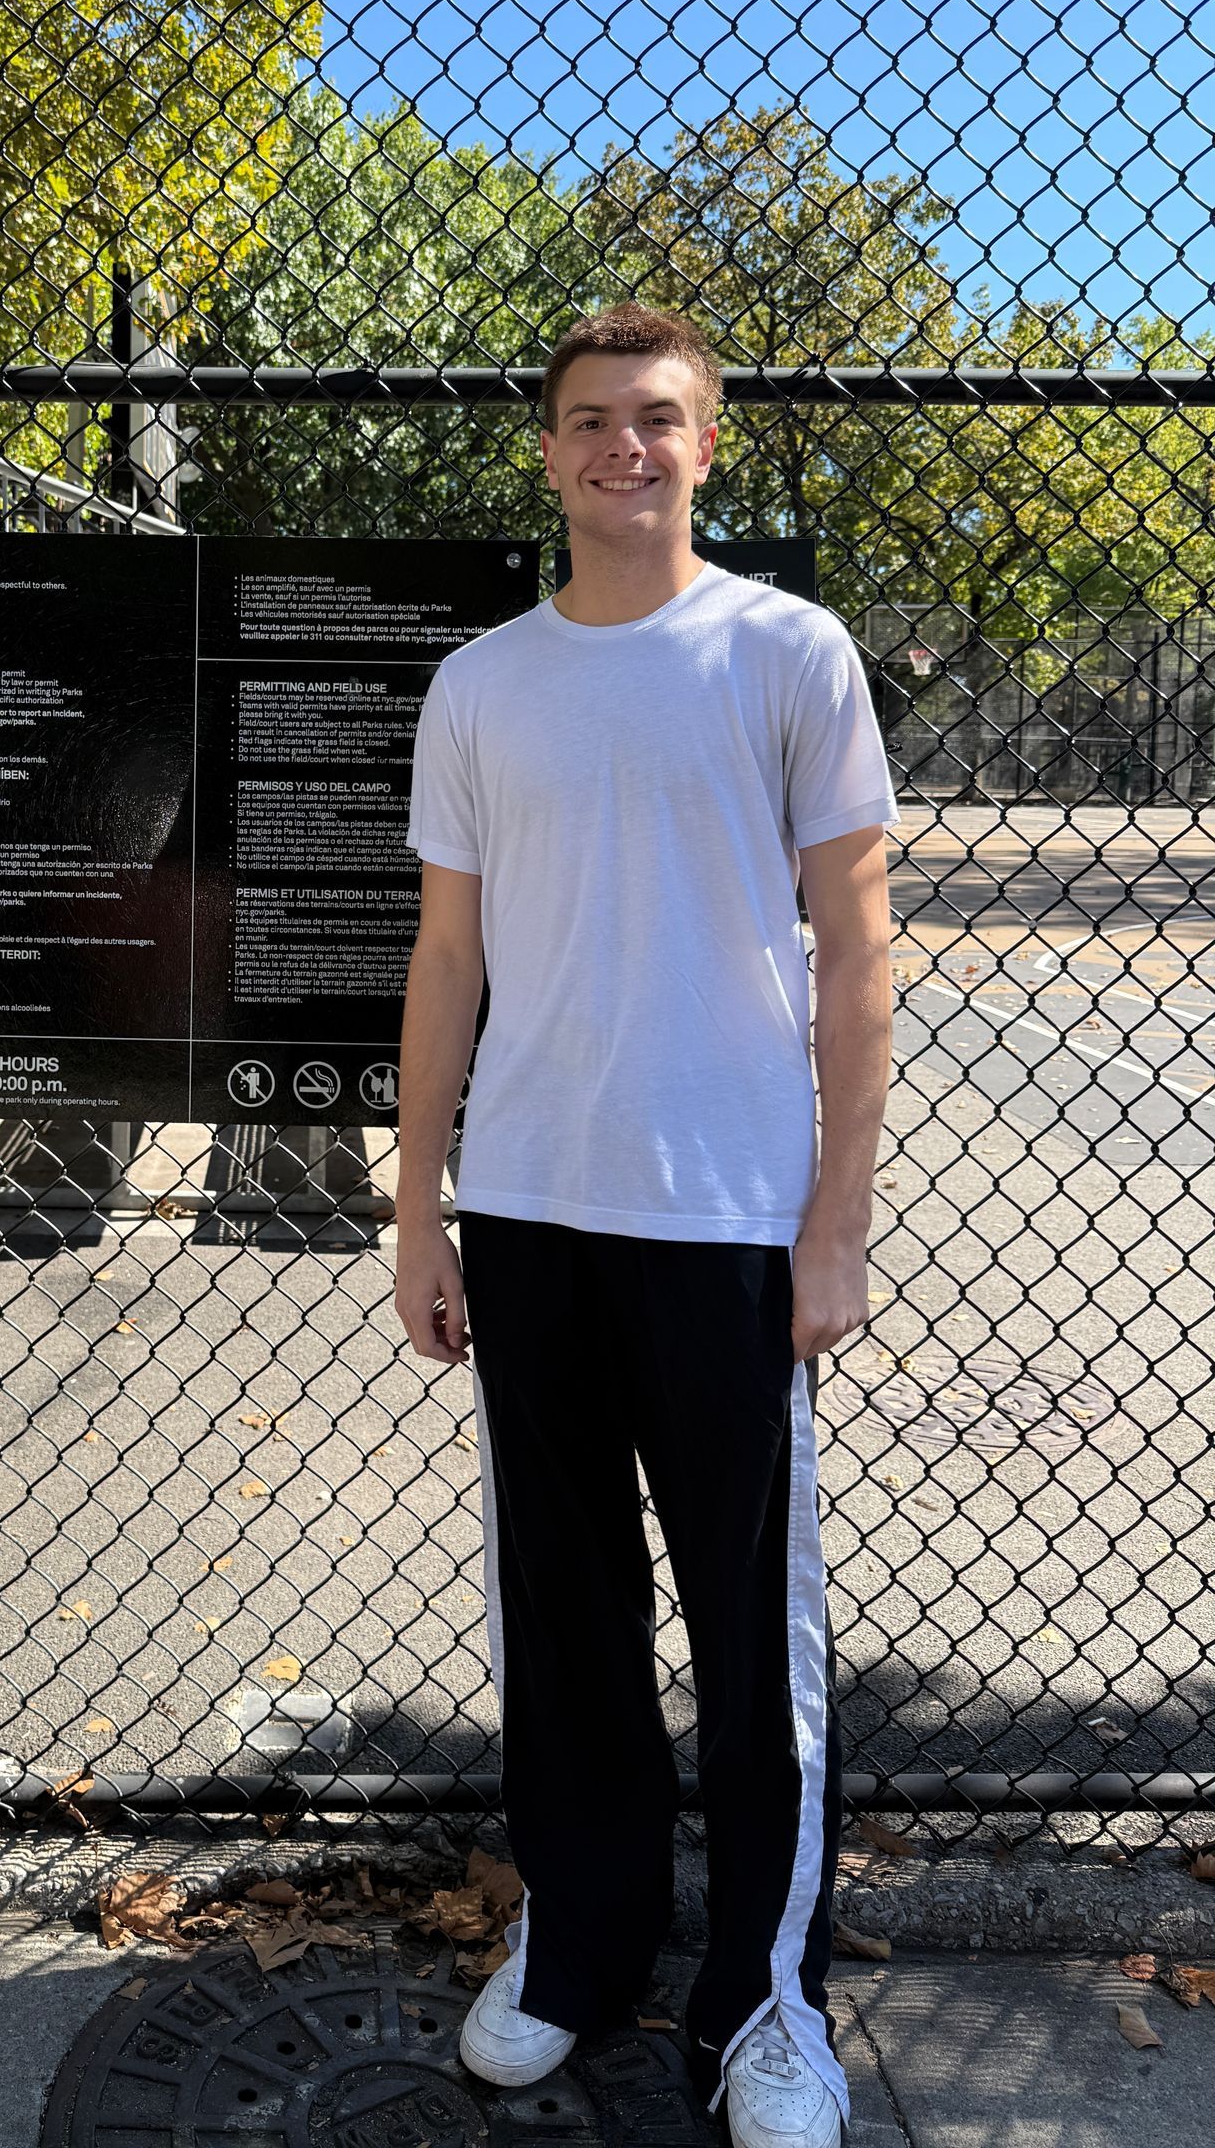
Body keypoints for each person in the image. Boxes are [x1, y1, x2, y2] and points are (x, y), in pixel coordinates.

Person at [394, 303, 897, 2148]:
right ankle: (582, 1945)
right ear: (546, 450)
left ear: (708, 447)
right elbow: (448, 956)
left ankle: (768, 2001)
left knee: (753, 1636)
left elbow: (859, 950)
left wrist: (833, 1222)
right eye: (591, 420)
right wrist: (417, 1211)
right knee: (570, 1617)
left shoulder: (787, 653)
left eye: (659, 420)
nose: (625, 448)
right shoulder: (481, 687)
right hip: (527, 1208)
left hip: (727, 1219)